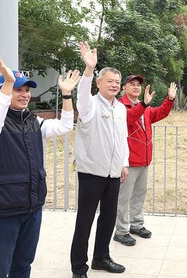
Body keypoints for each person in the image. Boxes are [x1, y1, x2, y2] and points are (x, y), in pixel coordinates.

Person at [0, 54, 80, 278]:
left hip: (31, 208)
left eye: (26, 90)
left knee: (23, 266)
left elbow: (64, 126)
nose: (24, 95)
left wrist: (67, 95)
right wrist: (7, 85)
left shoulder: (33, 120)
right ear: (3, 92)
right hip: (3, 212)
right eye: (17, 89)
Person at [70, 42, 129, 278]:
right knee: (84, 222)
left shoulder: (121, 108)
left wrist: (124, 163)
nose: (114, 85)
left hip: (114, 173)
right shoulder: (89, 105)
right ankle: (78, 268)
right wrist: (88, 69)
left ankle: (101, 258)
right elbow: (82, 95)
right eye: (109, 81)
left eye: (117, 82)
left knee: (108, 218)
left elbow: (122, 138)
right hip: (91, 173)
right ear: (99, 83)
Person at [113, 75, 177, 246]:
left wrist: (170, 99)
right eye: (131, 84)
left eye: (138, 85)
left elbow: (160, 112)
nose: (136, 87)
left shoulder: (145, 108)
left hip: (143, 159)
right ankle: (121, 231)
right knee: (123, 198)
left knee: (139, 195)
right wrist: (144, 104)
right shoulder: (120, 106)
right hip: (128, 161)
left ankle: (136, 224)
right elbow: (130, 118)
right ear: (124, 88)